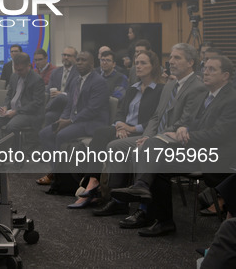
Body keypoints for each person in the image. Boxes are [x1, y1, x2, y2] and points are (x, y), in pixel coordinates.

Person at [111, 55, 236, 237]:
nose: (205, 72)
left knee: (154, 149)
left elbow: (219, 134)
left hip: (216, 157)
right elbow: (195, 122)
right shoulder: (208, 95)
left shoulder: (231, 99)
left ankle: (142, 189)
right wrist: (183, 128)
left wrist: (186, 135)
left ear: (225, 75)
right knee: (155, 151)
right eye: (205, 68)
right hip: (197, 149)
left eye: (211, 69)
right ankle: (161, 218)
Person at [105, 43, 206, 232]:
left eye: (177, 58)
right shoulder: (170, 85)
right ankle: (118, 201)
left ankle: (144, 210)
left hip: (179, 143)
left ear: (191, 62)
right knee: (115, 146)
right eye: (171, 57)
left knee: (143, 150)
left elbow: (184, 122)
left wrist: (153, 139)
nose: (172, 61)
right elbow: (156, 116)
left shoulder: (197, 87)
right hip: (156, 137)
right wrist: (148, 135)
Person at [77, 51, 164, 213]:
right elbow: (120, 112)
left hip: (141, 132)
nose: (138, 66)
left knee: (113, 144)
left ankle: (114, 197)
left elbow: (156, 118)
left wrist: (131, 129)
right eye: (137, 63)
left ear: (153, 67)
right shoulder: (133, 88)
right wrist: (119, 125)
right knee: (101, 132)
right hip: (124, 128)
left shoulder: (160, 90)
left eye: (143, 63)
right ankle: (94, 180)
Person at [36, 51, 109, 187]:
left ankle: (58, 176)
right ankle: (56, 170)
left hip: (92, 123)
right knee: (45, 133)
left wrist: (69, 121)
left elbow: (92, 110)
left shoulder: (99, 82)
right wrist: (63, 119)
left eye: (84, 60)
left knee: (61, 135)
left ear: (92, 64)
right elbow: (70, 104)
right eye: (78, 60)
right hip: (76, 120)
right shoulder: (76, 80)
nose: (79, 63)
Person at [0, 53, 45, 145]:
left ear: (28, 66)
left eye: (20, 70)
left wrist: (16, 111)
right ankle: (0, 150)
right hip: (11, 111)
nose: (17, 72)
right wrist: (5, 106)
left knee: (12, 126)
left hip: (29, 113)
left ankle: (16, 154)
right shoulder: (14, 76)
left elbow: (36, 103)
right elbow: (9, 95)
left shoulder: (37, 80)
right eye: (16, 69)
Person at [44, 46, 79, 125]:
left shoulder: (78, 72)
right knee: (49, 116)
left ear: (75, 58)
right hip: (57, 106)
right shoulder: (55, 72)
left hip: (71, 105)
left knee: (61, 97)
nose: (66, 57)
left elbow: (77, 93)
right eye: (64, 55)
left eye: (69, 56)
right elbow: (48, 90)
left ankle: (45, 109)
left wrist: (62, 93)